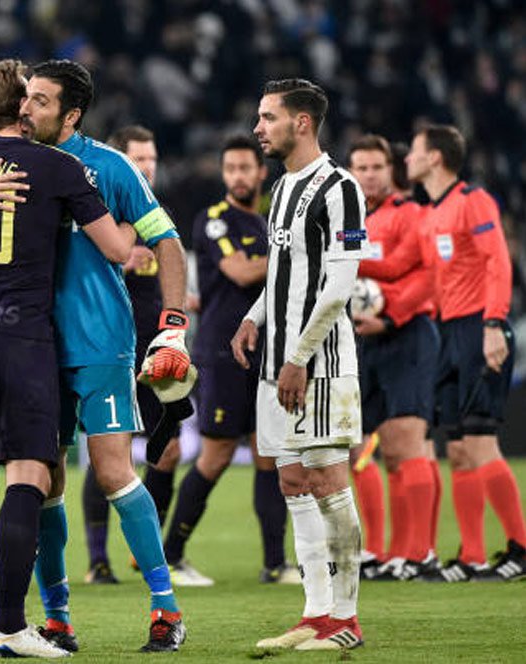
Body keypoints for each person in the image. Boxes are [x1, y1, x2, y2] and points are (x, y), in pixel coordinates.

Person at [0, 59, 134, 658]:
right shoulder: (57, 166)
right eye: (31, 99)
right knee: (30, 475)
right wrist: (139, 225)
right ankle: (10, 625)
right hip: (23, 341)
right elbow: (115, 247)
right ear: (21, 108)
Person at [21, 60, 189, 653]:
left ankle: (166, 608)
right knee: (43, 481)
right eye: (26, 97)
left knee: (114, 470)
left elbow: (167, 241)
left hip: (99, 342)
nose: (26, 108)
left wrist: (172, 327)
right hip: (34, 344)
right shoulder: (13, 164)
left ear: (70, 114)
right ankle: (58, 618)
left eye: (40, 101)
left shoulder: (111, 168)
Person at [233, 79, 365, 650]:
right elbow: (283, 276)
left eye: (267, 117)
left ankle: (348, 620)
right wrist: (252, 318)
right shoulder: (282, 187)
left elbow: (338, 287)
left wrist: (298, 357)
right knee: (291, 480)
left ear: (302, 122)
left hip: (319, 365)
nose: (258, 127)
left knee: (329, 482)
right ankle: (316, 612)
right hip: (277, 361)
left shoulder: (341, 188)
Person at [160, 134, 296, 586]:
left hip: (266, 352)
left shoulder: (263, 223)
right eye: (230, 168)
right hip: (221, 354)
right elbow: (239, 271)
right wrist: (294, 251)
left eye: (245, 168)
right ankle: (171, 556)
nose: (237, 176)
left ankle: (275, 564)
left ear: (261, 173)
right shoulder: (213, 220)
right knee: (216, 455)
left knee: (267, 455)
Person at [405, 124, 526, 582]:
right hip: (447, 334)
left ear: (435, 157)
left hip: (480, 327)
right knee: (456, 448)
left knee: (479, 443)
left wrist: (495, 322)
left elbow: (498, 259)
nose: (408, 160)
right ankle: (473, 554)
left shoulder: (473, 201)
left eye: (414, 151)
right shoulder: (431, 213)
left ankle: (521, 546)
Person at [79, 125, 185, 586]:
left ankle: (149, 555)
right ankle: (97, 560)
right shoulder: (96, 208)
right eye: (137, 159)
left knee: (170, 447)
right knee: (110, 447)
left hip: (157, 344)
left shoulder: (157, 215)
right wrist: (122, 257)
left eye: (152, 159)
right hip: (111, 342)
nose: (146, 167)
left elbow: (176, 261)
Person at [347, 134, 439, 581]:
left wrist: (391, 313)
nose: (368, 175)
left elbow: (425, 273)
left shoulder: (411, 214)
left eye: (376, 167)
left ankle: (419, 553)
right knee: (360, 449)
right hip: (363, 340)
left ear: (391, 170)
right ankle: (381, 552)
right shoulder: (351, 220)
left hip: (405, 334)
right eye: (360, 167)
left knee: (405, 445)